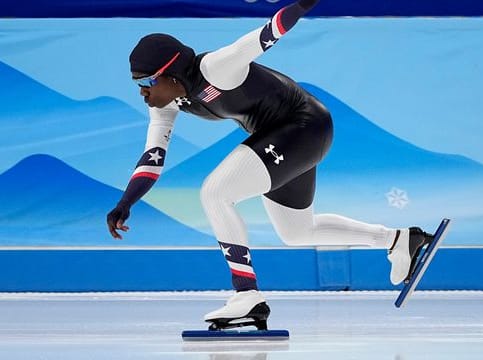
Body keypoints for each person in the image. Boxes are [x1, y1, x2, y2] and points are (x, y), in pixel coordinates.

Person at [107, 0, 433, 330]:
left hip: (303, 125)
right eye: (138, 85)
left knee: (215, 193)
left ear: (172, 74)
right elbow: (152, 159)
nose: (143, 93)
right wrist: (125, 203)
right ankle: (400, 240)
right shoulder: (168, 104)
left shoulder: (215, 69)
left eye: (147, 83)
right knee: (297, 232)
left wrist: (304, 3)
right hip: (288, 137)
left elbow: (264, 35)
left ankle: (246, 295)